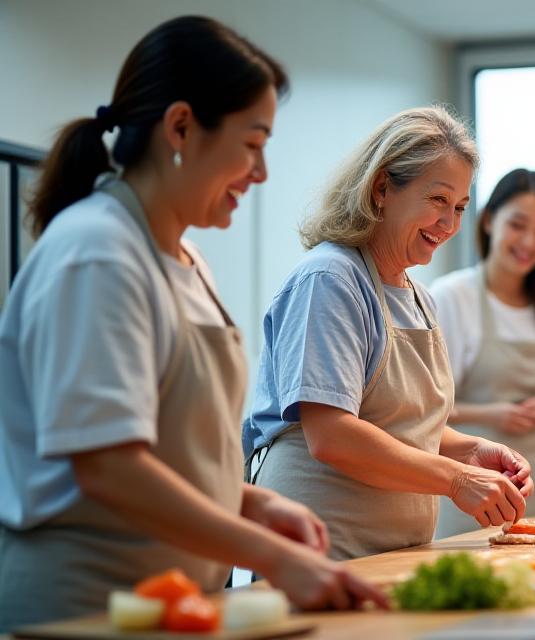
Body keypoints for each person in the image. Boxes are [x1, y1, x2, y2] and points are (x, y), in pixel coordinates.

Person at [0, 16, 387, 631]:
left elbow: (171, 455)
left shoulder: (182, 257)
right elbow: (106, 466)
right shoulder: (98, 252)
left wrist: (253, 504)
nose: (260, 173)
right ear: (180, 126)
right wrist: (270, 555)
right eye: (252, 143)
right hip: (86, 602)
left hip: (174, 600)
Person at [242, 106, 534, 560]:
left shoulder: (418, 295)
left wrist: (471, 450)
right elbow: (332, 434)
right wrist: (455, 480)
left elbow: (400, 425)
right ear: (382, 188)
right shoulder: (331, 278)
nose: (450, 224)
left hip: (396, 549)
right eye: (438, 200)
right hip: (322, 545)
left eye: (459, 207)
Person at [431, 168, 535, 537]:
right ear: (488, 221)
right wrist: (494, 414)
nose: (530, 241)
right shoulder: (452, 296)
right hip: (473, 491)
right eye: (518, 225)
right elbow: (430, 407)